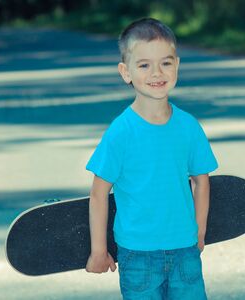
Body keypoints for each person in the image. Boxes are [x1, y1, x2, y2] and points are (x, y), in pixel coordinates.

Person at [85, 17, 218, 299]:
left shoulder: (188, 126)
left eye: (165, 63)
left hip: (185, 250)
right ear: (126, 72)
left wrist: (199, 231)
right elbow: (99, 193)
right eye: (144, 65)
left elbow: (201, 181)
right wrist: (99, 250)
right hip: (137, 256)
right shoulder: (121, 132)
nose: (157, 73)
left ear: (177, 66)